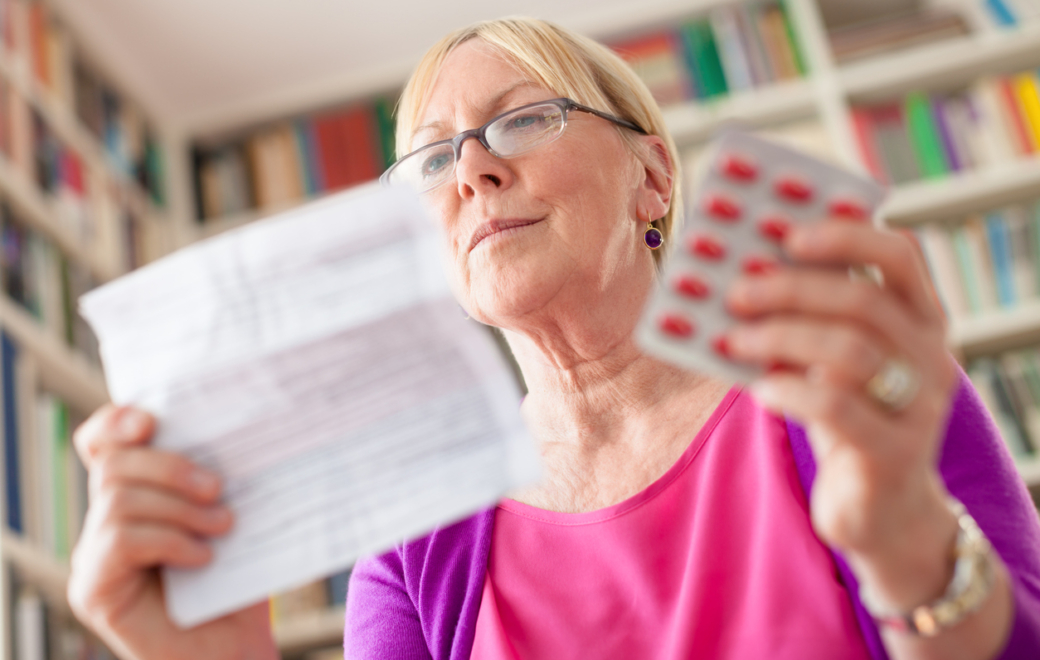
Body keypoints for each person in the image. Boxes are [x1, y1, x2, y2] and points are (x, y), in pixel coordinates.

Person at [68, 16, 1040, 660]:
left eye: (523, 120)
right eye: (433, 158)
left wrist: (910, 551)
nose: (472, 172)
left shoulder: (845, 396)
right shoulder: (413, 541)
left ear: (651, 178)